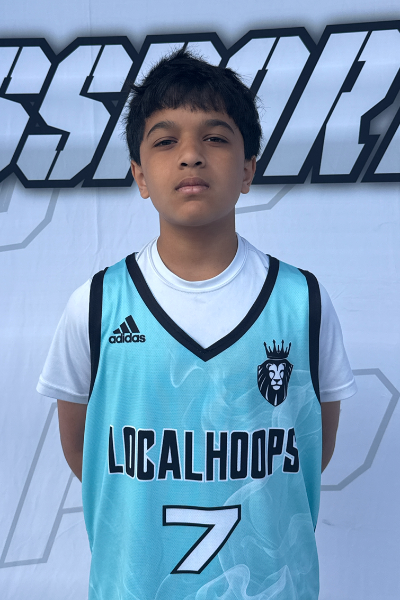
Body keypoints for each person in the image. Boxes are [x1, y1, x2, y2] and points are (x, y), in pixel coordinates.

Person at [37, 49, 357, 600]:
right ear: (140, 175)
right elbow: (83, 453)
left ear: (248, 169)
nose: (190, 155)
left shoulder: (302, 301)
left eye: (215, 137)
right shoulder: (96, 304)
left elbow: (312, 449)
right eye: (165, 141)